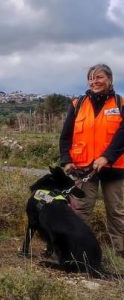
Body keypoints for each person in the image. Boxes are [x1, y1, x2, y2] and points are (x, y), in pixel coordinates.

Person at [59, 63, 124, 257]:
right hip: (83, 169)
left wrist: (107, 157)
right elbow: (66, 136)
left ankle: (120, 253)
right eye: (91, 78)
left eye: (99, 77)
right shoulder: (77, 104)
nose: (94, 82)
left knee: (117, 212)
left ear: (109, 80)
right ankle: (77, 251)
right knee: (80, 211)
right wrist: (66, 160)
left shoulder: (120, 103)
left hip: (115, 168)